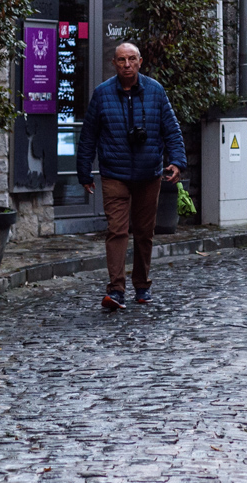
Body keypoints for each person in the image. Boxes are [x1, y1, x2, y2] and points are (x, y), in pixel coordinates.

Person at [79, 41, 187, 311]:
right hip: (114, 173)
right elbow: (88, 135)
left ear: (140, 62)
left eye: (131, 59)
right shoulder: (102, 94)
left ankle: (142, 285)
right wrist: (84, 172)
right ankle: (116, 290)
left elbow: (171, 129)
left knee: (144, 232)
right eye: (121, 60)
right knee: (117, 231)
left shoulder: (155, 91)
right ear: (113, 64)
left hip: (149, 174)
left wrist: (176, 161)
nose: (126, 65)